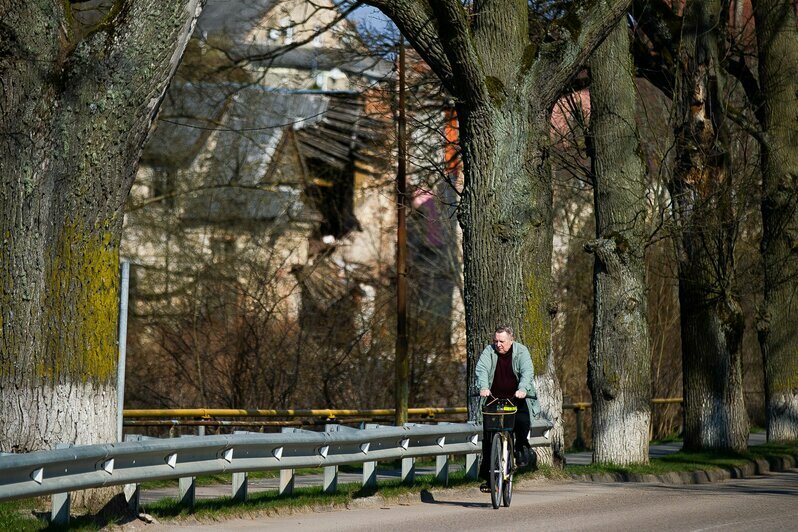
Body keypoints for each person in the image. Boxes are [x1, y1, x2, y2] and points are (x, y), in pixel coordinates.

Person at [475, 325, 541, 492]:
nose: (498, 344)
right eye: (496, 341)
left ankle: (519, 448)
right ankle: (490, 479)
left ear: (511, 340)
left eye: (502, 341)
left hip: (516, 398)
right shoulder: (488, 352)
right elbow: (481, 369)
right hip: (494, 398)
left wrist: (523, 389)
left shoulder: (521, 351)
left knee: (522, 421)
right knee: (489, 438)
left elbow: (527, 371)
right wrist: (483, 387)